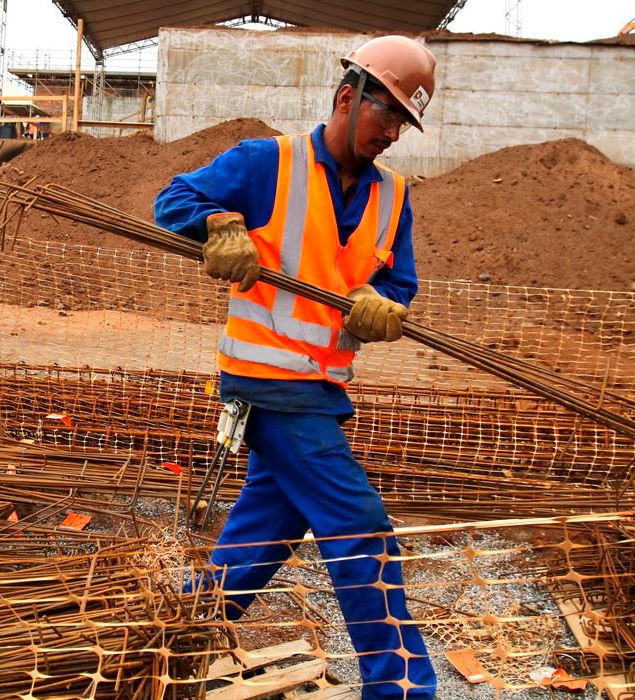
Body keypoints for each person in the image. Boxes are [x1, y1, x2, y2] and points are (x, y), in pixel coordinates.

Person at [154, 35, 438, 699]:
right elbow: (172, 201)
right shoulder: (265, 164)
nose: (393, 132)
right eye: (386, 114)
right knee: (360, 525)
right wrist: (219, 225)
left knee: (266, 531)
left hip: (321, 390)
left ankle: (175, 634)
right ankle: (403, 689)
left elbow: (399, 285)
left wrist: (382, 306)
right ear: (348, 96)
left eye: (403, 121)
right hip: (268, 387)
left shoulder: (393, 199)